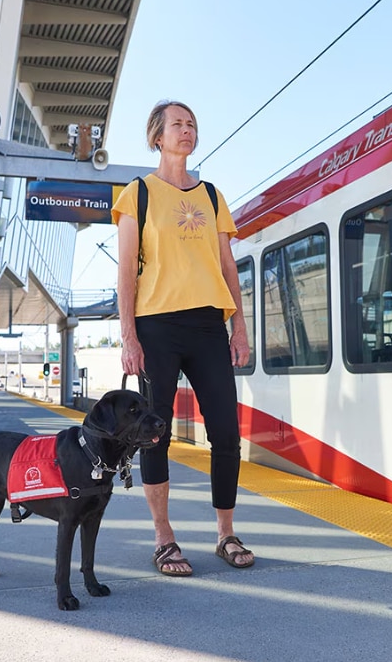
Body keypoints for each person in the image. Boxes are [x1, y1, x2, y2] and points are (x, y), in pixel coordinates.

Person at [112, 100, 253, 576]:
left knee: (227, 435)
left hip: (208, 324)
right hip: (157, 326)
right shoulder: (138, 193)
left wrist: (240, 325)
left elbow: (228, 266)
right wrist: (129, 336)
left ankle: (225, 532)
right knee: (156, 435)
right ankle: (164, 537)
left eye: (192, 124)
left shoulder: (212, 195)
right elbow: (126, 271)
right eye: (178, 124)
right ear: (157, 135)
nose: (187, 130)